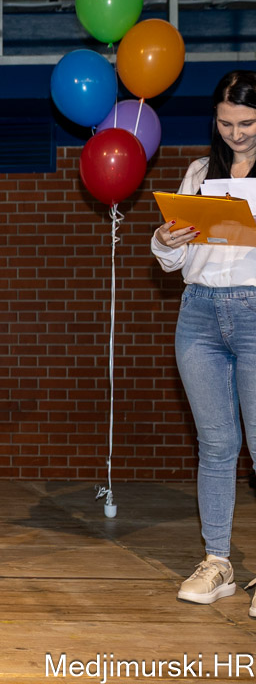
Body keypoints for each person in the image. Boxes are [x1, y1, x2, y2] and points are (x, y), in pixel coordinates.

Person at [153, 69, 256, 613]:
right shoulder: (199, 171)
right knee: (215, 445)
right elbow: (174, 261)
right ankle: (218, 562)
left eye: (247, 123)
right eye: (226, 123)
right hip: (198, 313)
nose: (235, 134)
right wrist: (165, 238)